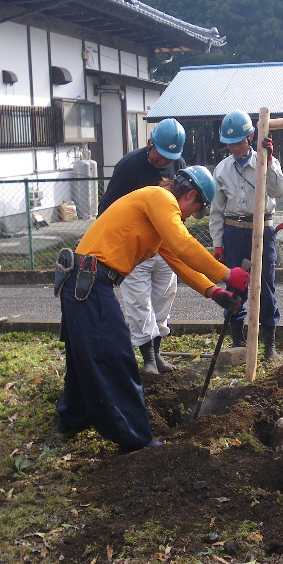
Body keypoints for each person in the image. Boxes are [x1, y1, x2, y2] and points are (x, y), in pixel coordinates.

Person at [54, 165, 249, 453]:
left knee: (85, 354)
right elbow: (184, 246)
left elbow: (178, 260)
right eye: (195, 209)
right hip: (90, 283)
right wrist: (227, 274)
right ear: (190, 194)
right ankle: (136, 439)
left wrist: (214, 291)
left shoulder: (156, 217)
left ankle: (72, 418)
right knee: (116, 357)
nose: (190, 217)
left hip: (83, 282)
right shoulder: (160, 199)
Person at [98, 118, 187, 374]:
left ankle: (157, 355)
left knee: (164, 297)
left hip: (165, 245)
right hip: (135, 248)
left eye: (170, 157)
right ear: (150, 143)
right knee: (138, 302)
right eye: (160, 155)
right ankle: (147, 358)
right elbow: (109, 206)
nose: (164, 162)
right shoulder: (129, 166)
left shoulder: (177, 165)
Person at [209, 110, 283, 359]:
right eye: (230, 143)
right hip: (234, 231)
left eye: (239, 141)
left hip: (262, 230)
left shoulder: (266, 162)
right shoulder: (222, 170)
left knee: (265, 286)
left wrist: (270, 161)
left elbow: (280, 191)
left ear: (251, 137)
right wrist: (218, 242)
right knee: (235, 285)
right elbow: (216, 210)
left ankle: (269, 346)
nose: (234, 147)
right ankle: (238, 341)